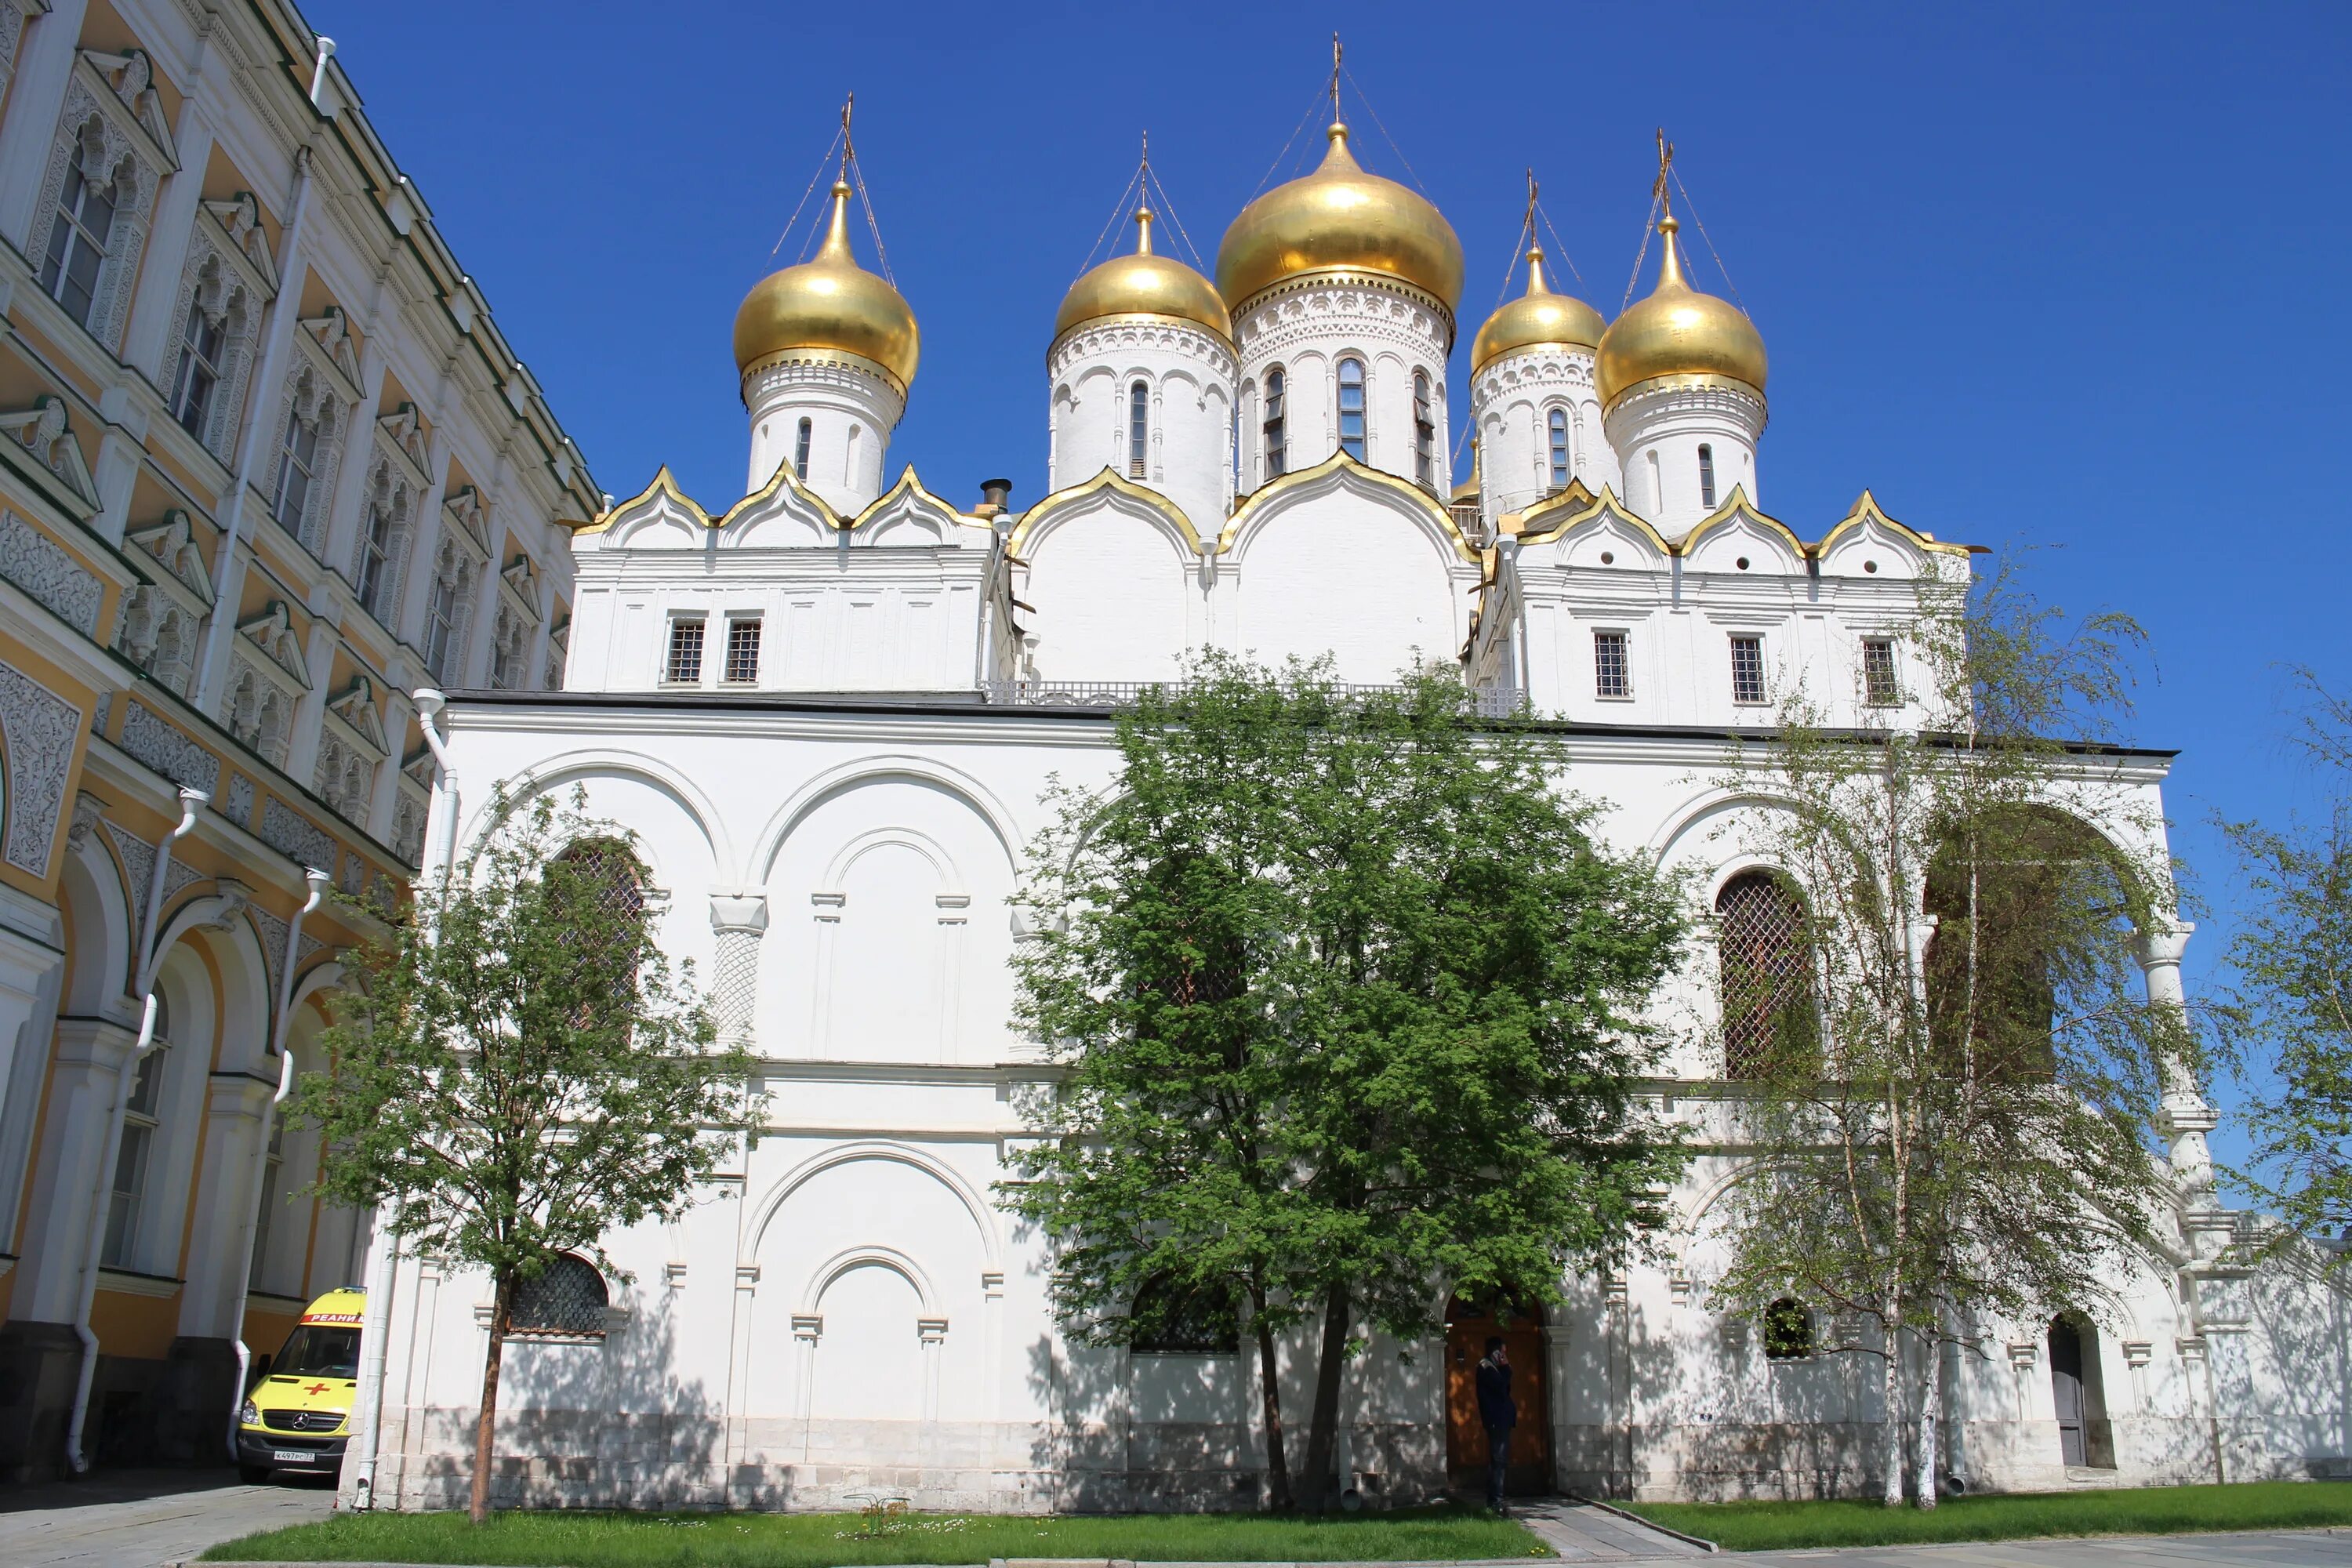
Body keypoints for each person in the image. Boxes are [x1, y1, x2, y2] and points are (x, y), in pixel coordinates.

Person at [1475, 1334, 1515, 1510]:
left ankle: (1495, 1499)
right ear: (1496, 1352)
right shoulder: (1486, 1368)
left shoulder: (1493, 1368)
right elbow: (1500, 1387)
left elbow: (1505, 1388)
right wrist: (1506, 1368)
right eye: (1503, 1352)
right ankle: (1496, 1501)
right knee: (1498, 1459)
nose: (1505, 1356)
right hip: (1496, 1420)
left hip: (1500, 1419)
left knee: (1499, 1460)